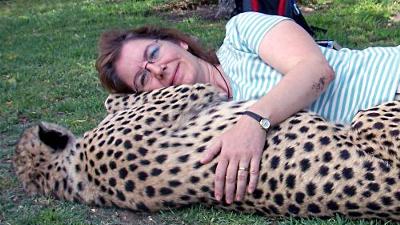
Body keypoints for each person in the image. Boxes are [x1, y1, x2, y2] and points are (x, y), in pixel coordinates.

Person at [96, 12, 400, 205]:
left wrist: (254, 122)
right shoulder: (209, 126)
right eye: (143, 77)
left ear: (178, 42)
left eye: (153, 52)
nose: (157, 69)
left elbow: (316, 70)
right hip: (378, 138)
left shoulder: (240, 34)